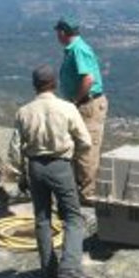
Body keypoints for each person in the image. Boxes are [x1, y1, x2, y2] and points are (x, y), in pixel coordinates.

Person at [8, 64, 95, 278]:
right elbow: (85, 141)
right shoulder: (66, 108)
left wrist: (20, 175)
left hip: (35, 166)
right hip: (60, 165)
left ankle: (48, 271)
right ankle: (70, 265)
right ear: (54, 84)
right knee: (74, 218)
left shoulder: (24, 112)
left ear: (35, 85)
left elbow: (15, 150)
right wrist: (72, 157)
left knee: (42, 219)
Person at [54, 16, 107, 206]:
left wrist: (76, 100)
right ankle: (80, 190)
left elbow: (88, 79)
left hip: (88, 104)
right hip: (82, 104)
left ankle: (88, 195)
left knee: (87, 148)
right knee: (78, 147)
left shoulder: (78, 50)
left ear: (62, 32)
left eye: (57, 31)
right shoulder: (74, 49)